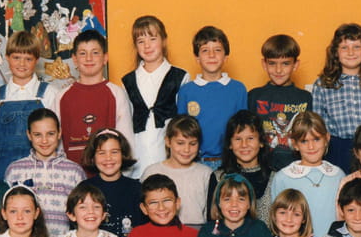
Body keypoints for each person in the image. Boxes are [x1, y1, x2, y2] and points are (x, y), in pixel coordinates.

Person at [121, 15, 189, 178]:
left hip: (170, 160)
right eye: (141, 41)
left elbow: (184, 124)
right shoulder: (127, 81)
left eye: (152, 39)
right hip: (138, 162)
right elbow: (126, 126)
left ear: (164, 41)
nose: (147, 46)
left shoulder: (180, 77)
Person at [312, 23, 361, 173]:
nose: (351, 52)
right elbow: (318, 123)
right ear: (335, 52)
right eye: (344, 47)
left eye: (356, 47)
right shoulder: (323, 84)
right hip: (337, 148)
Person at [4, 108, 86, 237]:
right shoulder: (14, 170)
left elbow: (83, 213)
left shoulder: (75, 171)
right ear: (29, 135)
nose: (44, 141)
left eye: (50, 134)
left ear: (59, 133)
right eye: (37, 135)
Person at [54, 30, 134, 164]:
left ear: (105, 58)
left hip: (107, 173)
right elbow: (56, 142)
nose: (89, 58)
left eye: (95, 53)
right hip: (71, 173)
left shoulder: (116, 93)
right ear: (74, 59)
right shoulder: (62, 96)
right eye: (82, 53)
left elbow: (126, 140)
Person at [0, 31, 58, 179]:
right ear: (7, 58)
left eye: (28, 59)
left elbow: (58, 139)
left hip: (41, 173)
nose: (22, 64)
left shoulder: (50, 94)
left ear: (36, 60)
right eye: (16, 58)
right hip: (2, 173)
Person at [176, 25, 247, 169]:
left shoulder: (238, 89)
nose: (211, 55)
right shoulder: (186, 91)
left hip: (230, 162)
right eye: (205, 50)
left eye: (217, 50)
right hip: (195, 162)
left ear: (226, 57)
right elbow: (181, 132)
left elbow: (243, 129)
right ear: (197, 58)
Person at [270, 111, 344, 237]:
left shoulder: (338, 175)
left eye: (316, 139)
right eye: (304, 141)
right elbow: (276, 219)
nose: (311, 146)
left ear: (327, 138)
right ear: (295, 144)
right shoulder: (283, 178)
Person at [247, 34, 312, 171]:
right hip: (262, 169)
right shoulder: (254, 96)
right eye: (272, 63)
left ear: (295, 65)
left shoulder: (306, 98)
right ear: (264, 64)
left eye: (285, 63)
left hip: (297, 169)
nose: (278, 70)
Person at [141, 115, 216, 228]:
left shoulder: (206, 174)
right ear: (168, 141)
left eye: (192, 144)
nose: (186, 149)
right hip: (160, 229)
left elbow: (212, 214)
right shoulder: (151, 172)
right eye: (180, 143)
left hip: (197, 231)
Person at [216, 110, 275, 226]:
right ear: (230, 144)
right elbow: (214, 223)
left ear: (261, 142)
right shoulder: (219, 178)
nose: (244, 145)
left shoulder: (276, 179)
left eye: (250, 138)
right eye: (238, 139)